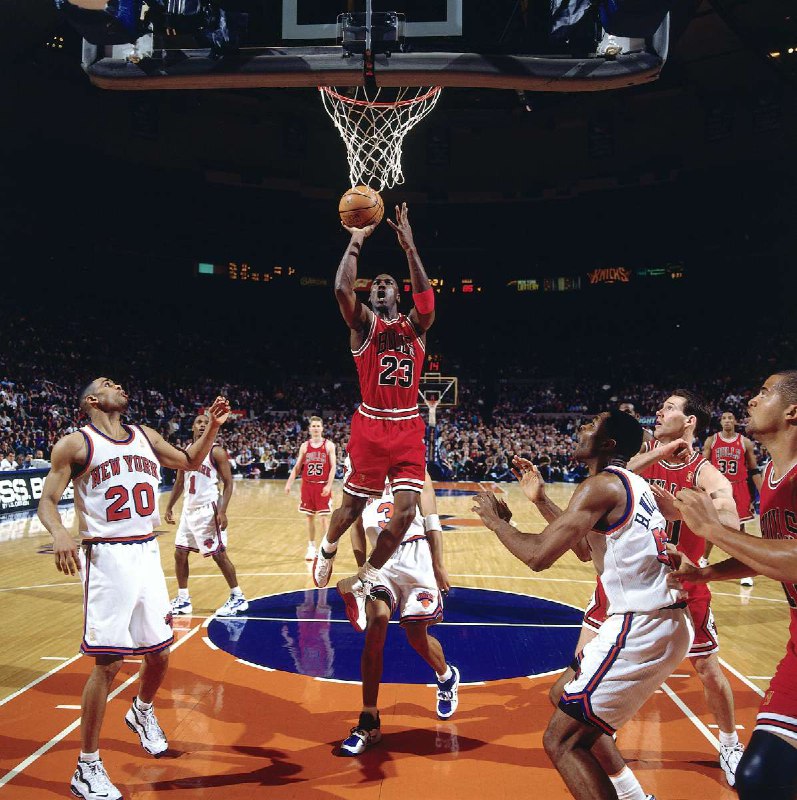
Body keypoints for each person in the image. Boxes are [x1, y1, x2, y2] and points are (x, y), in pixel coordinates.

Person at [472, 411, 693, 800]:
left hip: (642, 622)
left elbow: (538, 556)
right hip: (657, 619)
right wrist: (541, 500)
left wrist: (496, 522)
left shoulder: (602, 485)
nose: (581, 429)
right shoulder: (628, 483)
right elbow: (582, 548)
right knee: (563, 696)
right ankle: (633, 795)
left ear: (608, 444)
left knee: (562, 742)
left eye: (591, 425)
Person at [36, 377, 230, 800]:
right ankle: (86, 766)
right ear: (92, 399)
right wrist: (61, 533)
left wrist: (213, 427)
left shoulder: (146, 435)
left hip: (145, 552)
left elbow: (190, 461)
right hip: (106, 558)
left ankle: (141, 711)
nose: (119, 386)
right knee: (108, 663)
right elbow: (47, 500)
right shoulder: (76, 444)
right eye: (109, 384)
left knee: (160, 651)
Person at [671, 371, 797, 800]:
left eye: (764, 393)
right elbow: (771, 552)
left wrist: (714, 530)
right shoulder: (775, 477)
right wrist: (705, 573)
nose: (751, 401)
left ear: (792, 411)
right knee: (759, 779)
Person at [312, 202, 436, 606]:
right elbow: (341, 290)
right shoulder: (364, 325)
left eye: (388, 283)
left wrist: (410, 247)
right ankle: (327, 547)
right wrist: (356, 240)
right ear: (371, 295)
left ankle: (367, 575)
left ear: (399, 293)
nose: (381, 285)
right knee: (351, 509)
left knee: (407, 512)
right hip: (371, 423)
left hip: (408, 424)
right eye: (376, 283)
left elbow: (428, 303)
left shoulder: (416, 327)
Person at [641, 389, 746, 784]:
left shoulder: (705, 473)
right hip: (635, 582)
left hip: (683, 583)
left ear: (689, 422)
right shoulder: (644, 456)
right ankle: (598, 730)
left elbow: (731, 525)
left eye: (669, 407)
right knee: (596, 657)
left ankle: (730, 743)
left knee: (707, 668)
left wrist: (683, 512)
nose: (658, 411)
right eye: (660, 406)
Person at [338, 471, 456, 755]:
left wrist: (439, 564)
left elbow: (431, 520)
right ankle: (369, 720)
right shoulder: (362, 470)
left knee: (416, 636)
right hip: (380, 562)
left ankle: (446, 675)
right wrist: (363, 569)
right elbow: (355, 524)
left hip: (417, 557)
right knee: (376, 625)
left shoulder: (417, 471)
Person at [164, 413, 248, 618]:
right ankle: (183, 599)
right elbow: (180, 482)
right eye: (199, 422)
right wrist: (169, 506)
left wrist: (222, 511)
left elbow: (228, 483)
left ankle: (238, 597)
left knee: (219, 555)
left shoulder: (216, 451)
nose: (202, 425)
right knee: (180, 553)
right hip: (188, 510)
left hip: (207, 510)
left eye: (206, 423)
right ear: (193, 427)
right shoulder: (185, 452)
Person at [703, 410, 764, 586]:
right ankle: (703, 559)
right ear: (720, 422)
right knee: (713, 525)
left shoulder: (745, 442)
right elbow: (702, 466)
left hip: (739, 487)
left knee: (740, 529)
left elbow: (753, 470)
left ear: (735, 421)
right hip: (718, 486)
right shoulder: (712, 440)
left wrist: (764, 492)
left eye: (730, 418)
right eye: (724, 418)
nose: (727, 421)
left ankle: (742, 566)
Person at [284, 416, 337, 561]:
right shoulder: (305, 446)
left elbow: (333, 467)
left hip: (322, 485)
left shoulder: (329, 445)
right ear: (309, 429)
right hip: (307, 486)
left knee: (323, 518)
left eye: (318, 426)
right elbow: (297, 467)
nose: (316, 428)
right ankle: (311, 547)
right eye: (313, 426)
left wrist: (329, 485)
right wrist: (289, 483)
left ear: (322, 428)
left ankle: (327, 549)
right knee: (309, 518)